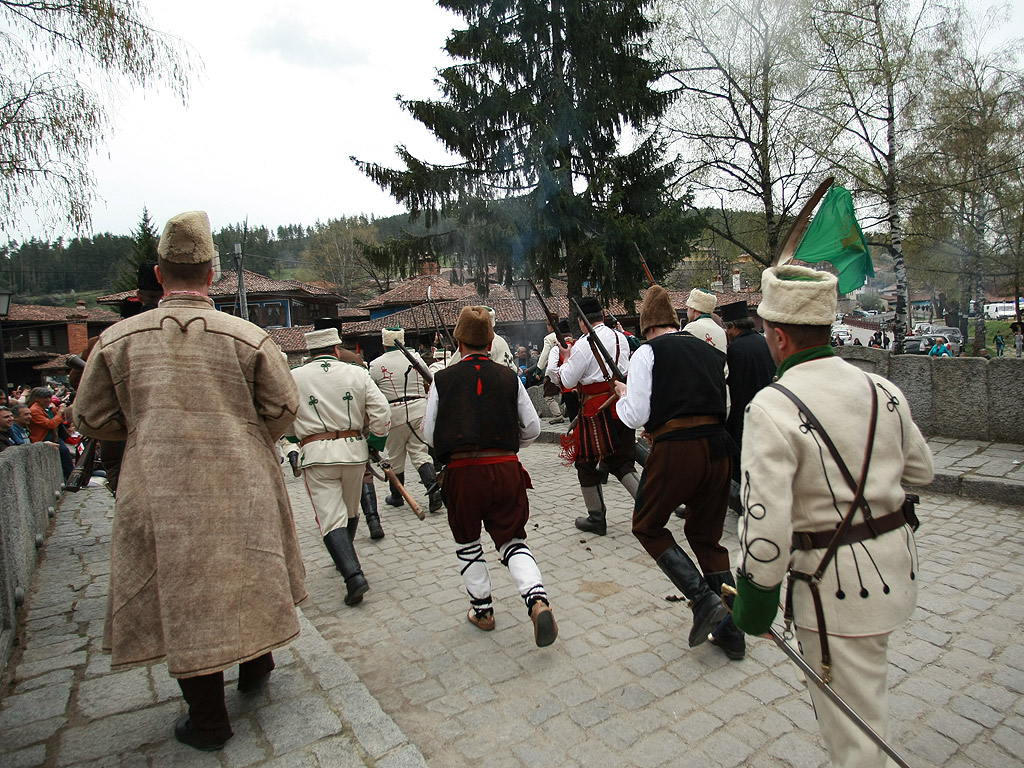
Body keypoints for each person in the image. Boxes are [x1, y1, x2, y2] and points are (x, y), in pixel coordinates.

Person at [74, 211, 306, 752]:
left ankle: (207, 715)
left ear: (159, 274)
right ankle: (252, 667)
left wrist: (142, 432)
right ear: (211, 276)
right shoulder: (247, 338)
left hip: (158, 484)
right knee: (245, 563)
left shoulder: (116, 341)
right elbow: (283, 408)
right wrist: (244, 435)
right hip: (242, 476)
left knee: (183, 586)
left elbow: (90, 419)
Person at [732, 264, 934, 768]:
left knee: (855, 739)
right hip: (894, 573)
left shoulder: (770, 408)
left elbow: (765, 526)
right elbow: (922, 469)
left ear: (778, 337)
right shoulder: (882, 390)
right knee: (866, 703)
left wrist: (755, 603)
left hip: (837, 592)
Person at [613, 285, 737, 657]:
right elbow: (723, 404)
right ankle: (732, 631)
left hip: (677, 447)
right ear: (675, 321)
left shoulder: (646, 353)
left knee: (646, 524)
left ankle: (702, 599)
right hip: (719, 447)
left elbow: (636, 415)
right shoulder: (710, 349)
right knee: (707, 537)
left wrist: (622, 397)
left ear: (646, 326)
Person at [423, 306, 556, 646]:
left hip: (463, 472)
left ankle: (483, 611)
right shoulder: (509, 377)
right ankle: (537, 599)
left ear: (459, 341)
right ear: (491, 340)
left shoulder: (443, 378)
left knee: (468, 542)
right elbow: (533, 428)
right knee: (513, 540)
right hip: (505, 468)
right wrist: (508, 451)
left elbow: (428, 433)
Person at [289, 327, 391, 604]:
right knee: (350, 509)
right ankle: (345, 559)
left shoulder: (294, 377)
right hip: (354, 452)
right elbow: (381, 411)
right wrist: (375, 443)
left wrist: (291, 438)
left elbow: (283, 413)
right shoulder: (357, 373)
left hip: (316, 453)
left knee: (330, 517)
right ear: (336, 349)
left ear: (309, 353)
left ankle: (353, 575)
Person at [552, 296, 639, 535]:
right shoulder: (621, 338)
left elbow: (567, 380)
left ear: (582, 322)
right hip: (622, 405)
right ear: (602, 316)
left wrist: (566, 359)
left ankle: (596, 517)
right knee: (623, 462)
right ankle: (648, 508)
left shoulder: (582, 344)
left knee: (585, 464)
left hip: (595, 412)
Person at [369, 327, 442, 513]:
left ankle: (396, 496)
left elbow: (372, 393)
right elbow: (430, 380)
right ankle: (432, 489)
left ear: (384, 343)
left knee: (394, 456)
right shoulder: (415, 357)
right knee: (420, 452)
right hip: (419, 409)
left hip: (394, 413)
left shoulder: (376, 364)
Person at [719, 300, 775, 516]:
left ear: (733, 326)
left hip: (744, 415)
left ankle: (746, 507)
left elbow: (735, 387)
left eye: (727, 327)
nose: (727, 332)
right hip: (767, 410)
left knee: (742, 464)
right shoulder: (764, 343)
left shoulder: (735, 349)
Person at [26, 386, 73, 479]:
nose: (48, 400)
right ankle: (69, 477)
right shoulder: (34, 410)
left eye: (49, 397)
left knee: (65, 454)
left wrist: (58, 411)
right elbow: (51, 424)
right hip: (42, 438)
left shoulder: (49, 407)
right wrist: (60, 412)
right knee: (63, 452)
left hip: (53, 437)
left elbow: (59, 419)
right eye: (45, 398)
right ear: (38, 399)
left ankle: (70, 477)